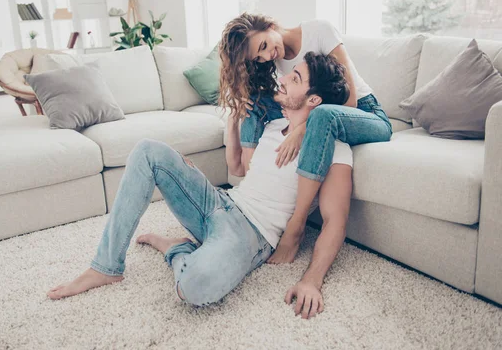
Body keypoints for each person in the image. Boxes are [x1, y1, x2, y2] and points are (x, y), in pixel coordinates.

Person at [47, 52, 352, 319]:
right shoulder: (273, 125)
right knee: (148, 151)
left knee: (193, 287)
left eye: (295, 77)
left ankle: (179, 248)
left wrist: (312, 280)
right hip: (221, 201)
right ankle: (106, 267)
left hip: (250, 234)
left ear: (314, 100)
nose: (283, 78)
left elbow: (334, 222)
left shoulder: (334, 148)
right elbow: (244, 172)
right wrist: (186, 174)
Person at [218, 13, 392, 265]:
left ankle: (295, 229)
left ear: (269, 25)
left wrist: (301, 130)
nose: (267, 56)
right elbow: (295, 100)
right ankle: (253, 179)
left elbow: (349, 100)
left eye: (264, 46)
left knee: (322, 114)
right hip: (321, 111)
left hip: (363, 112)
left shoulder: (319, 30)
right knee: (254, 102)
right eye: (258, 56)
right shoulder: (273, 63)